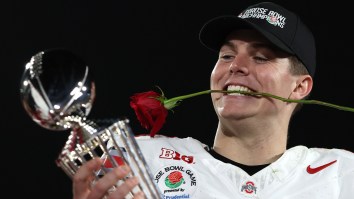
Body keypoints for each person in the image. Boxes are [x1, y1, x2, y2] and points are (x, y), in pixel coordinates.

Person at [72, 2, 354, 199]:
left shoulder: (342, 175)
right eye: (227, 56)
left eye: (260, 57)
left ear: (300, 87)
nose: (235, 66)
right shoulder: (142, 160)